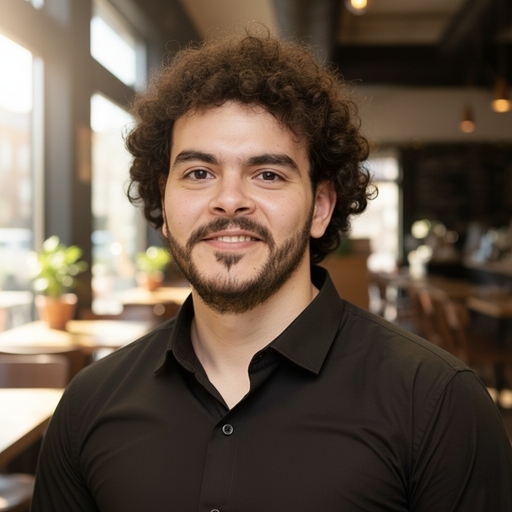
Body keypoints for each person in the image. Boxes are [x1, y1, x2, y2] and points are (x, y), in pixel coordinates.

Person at [32, 29, 512, 511]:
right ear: (164, 200)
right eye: (199, 173)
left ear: (320, 207)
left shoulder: (436, 404)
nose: (229, 200)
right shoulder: (88, 405)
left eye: (267, 174)